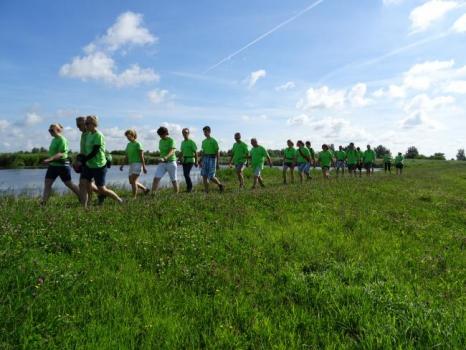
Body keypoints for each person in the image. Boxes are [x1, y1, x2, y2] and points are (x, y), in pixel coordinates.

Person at [80, 116, 123, 208]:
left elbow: (95, 152)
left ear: (94, 124)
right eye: (85, 124)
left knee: (102, 189)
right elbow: (86, 150)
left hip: (99, 165)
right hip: (89, 165)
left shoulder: (98, 135)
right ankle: (85, 206)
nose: (85, 125)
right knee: (84, 183)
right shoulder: (88, 134)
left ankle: (119, 200)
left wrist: (84, 160)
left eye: (87, 123)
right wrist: (81, 158)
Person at [40, 124, 80, 205]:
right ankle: (43, 203)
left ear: (58, 130)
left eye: (52, 130)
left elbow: (61, 153)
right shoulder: (54, 139)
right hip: (53, 165)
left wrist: (50, 159)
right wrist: (50, 160)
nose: (50, 132)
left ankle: (82, 196)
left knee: (69, 184)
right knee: (47, 183)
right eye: (49, 130)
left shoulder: (62, 139)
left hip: (62, 166)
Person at [75, 116, 104, 204]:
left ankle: (93, 198)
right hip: (85, 161)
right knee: (86, 183)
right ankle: (98, 195)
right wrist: (77, 159)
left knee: (85, 183)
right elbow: (83, 149)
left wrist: (83, 160)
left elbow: (94, 150)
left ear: (86, 123)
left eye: (80, 125)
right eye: (77, 125)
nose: (78, 127)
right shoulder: (83, 134)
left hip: (92, 162)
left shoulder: (90, 133)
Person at [119, 129, 149, 198]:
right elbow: (126, 156)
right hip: (131, 164)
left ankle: (134, 197)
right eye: (127, 137)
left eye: (128, 136)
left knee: (133, 181)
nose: (128, 138)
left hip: (138, 164)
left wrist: (144, 167)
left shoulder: (138, 144)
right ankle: (145, 189)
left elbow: (142, 156)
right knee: (131, 181)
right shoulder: (128, 145)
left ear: (133, 135)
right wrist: (122, 165)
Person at [152, 126, 179, 193]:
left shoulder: (171, 140)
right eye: (159, 135)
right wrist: (161, 158)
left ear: (166, 133)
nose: (160, 136)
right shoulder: (160, 141)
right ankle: (152, 195)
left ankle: (177, 195)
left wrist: (165, 157)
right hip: (162, 163)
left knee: (174, 180)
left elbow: (172, 151)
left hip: (171, 162)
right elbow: (162, 152)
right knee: (156, 178)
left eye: (161, 134)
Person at [200, 126, 224, 193]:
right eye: (204, 132)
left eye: (206, 131)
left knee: (211, 176)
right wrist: (200, 160)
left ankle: (220, 185)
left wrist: (218, 163)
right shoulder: (203, 141)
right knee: (204, 175)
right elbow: (203, 152)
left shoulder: (214, 141)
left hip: (212, 159)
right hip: (205, 159)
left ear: (209, 131)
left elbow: (217, 152)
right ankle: (206, 191)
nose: (204, 133)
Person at [179, 128, 198, 193]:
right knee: (185, 174)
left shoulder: (191, 142)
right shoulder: (182, 143)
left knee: (186, 174)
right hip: (184, 160)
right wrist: (180, 159)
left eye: (186, 132)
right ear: (182, 134)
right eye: (184, 133)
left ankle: (190, 187)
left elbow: (196, 152)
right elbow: (181, 152)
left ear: (188, 133)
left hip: (191, 160)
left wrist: (196, 161)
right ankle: (189, 187)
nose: (185, 134)